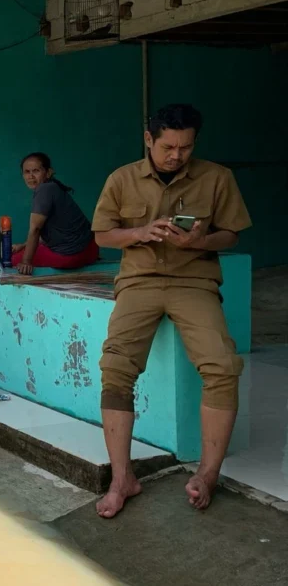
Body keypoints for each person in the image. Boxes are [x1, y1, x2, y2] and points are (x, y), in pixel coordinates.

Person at [91, 104, 251, 519]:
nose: (176, 155)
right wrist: (141, 232)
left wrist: (198, 243)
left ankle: (208, 475)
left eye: (185, 147)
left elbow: (231, 235)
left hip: (194, 281)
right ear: (149, 139)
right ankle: (121, 478)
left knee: (221, 366)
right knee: (116, 368)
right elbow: (103, 234)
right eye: (168, 146)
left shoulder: (217, 178)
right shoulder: (121, 179)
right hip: (139, 281)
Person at [13, 153, 99, 275]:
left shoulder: (44, 189)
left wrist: (26, 262)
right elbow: (51, 234)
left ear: (48, 172)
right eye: (27, 172)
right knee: (28, 250)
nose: (31, 176)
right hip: (91, 251)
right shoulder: (52, 187)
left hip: (73, 255)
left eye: (36, 171)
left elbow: (35, 229)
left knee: (12, 259)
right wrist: (23, 245)